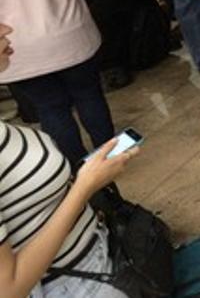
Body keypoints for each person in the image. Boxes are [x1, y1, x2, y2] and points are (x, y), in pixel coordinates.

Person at [0, 63, 138, 298]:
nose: (7, 30)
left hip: (93, 260)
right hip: (76, 284)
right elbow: (8, 289)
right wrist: (84, 187)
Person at [0, 0, 115, 167]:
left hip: (16, 50)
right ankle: (109, 159)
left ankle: (77, 171)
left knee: (50, 108)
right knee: (89, 94)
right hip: (69, 35)